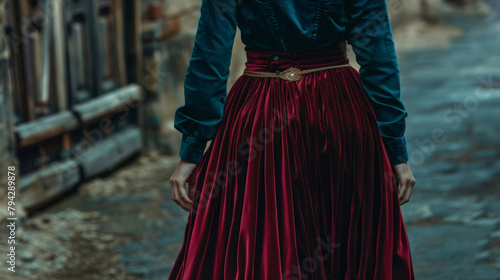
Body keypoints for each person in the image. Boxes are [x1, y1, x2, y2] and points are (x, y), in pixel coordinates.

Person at [168, 0, 417, 279]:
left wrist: (192, 148)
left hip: (261, 112)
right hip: (339, 111)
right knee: (344, 242)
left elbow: (210, 54)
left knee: (265, 237)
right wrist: (396, 148)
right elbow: (377, 53)